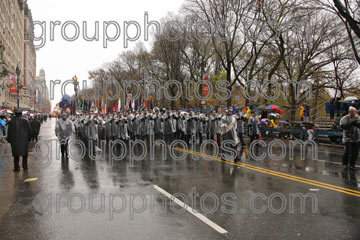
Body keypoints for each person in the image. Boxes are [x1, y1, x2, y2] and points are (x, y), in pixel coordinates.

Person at [340, 106, 360, 171]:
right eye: (352, 112)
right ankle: (345, 164)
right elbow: (342, 126)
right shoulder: (345, 118)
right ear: (350, 112)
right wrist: (351, 123)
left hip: (357, 138)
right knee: (348, 151)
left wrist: (357, 124)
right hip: (348, 138)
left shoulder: (358, 118)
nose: (354, 113)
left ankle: (352, 165)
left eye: (355, 112)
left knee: (355, 152)